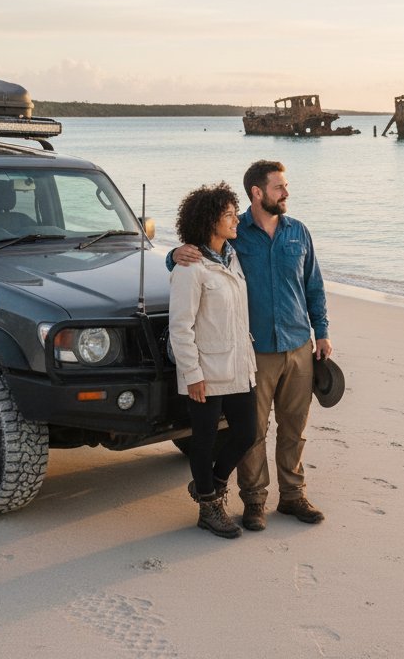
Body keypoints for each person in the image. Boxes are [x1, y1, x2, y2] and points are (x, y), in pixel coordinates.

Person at [169, 160, 331, 531]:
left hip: (298, 345)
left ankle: (292, 496)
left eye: (285, 187)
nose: (286, 193)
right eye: (279, 187)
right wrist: (173, 254)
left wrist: (321, 332)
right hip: (255, 352)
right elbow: (198, 255)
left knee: (294, 427)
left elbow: (314, 285)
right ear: (257, 193)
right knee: (253, 432)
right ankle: (254, 500)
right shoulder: (236, 233)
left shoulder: (299, 232)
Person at [168, 182, 258, 539]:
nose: (236, 219)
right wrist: (192, 373)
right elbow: (180, 325)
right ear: (209, 221)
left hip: (238, 363)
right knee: (203, 438)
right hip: (204, 369)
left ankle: (211, 485)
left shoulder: (231, 257)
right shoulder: (191, 267)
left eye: (235, 212)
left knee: (247, 431)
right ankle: (208, 506)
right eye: (228, 214)